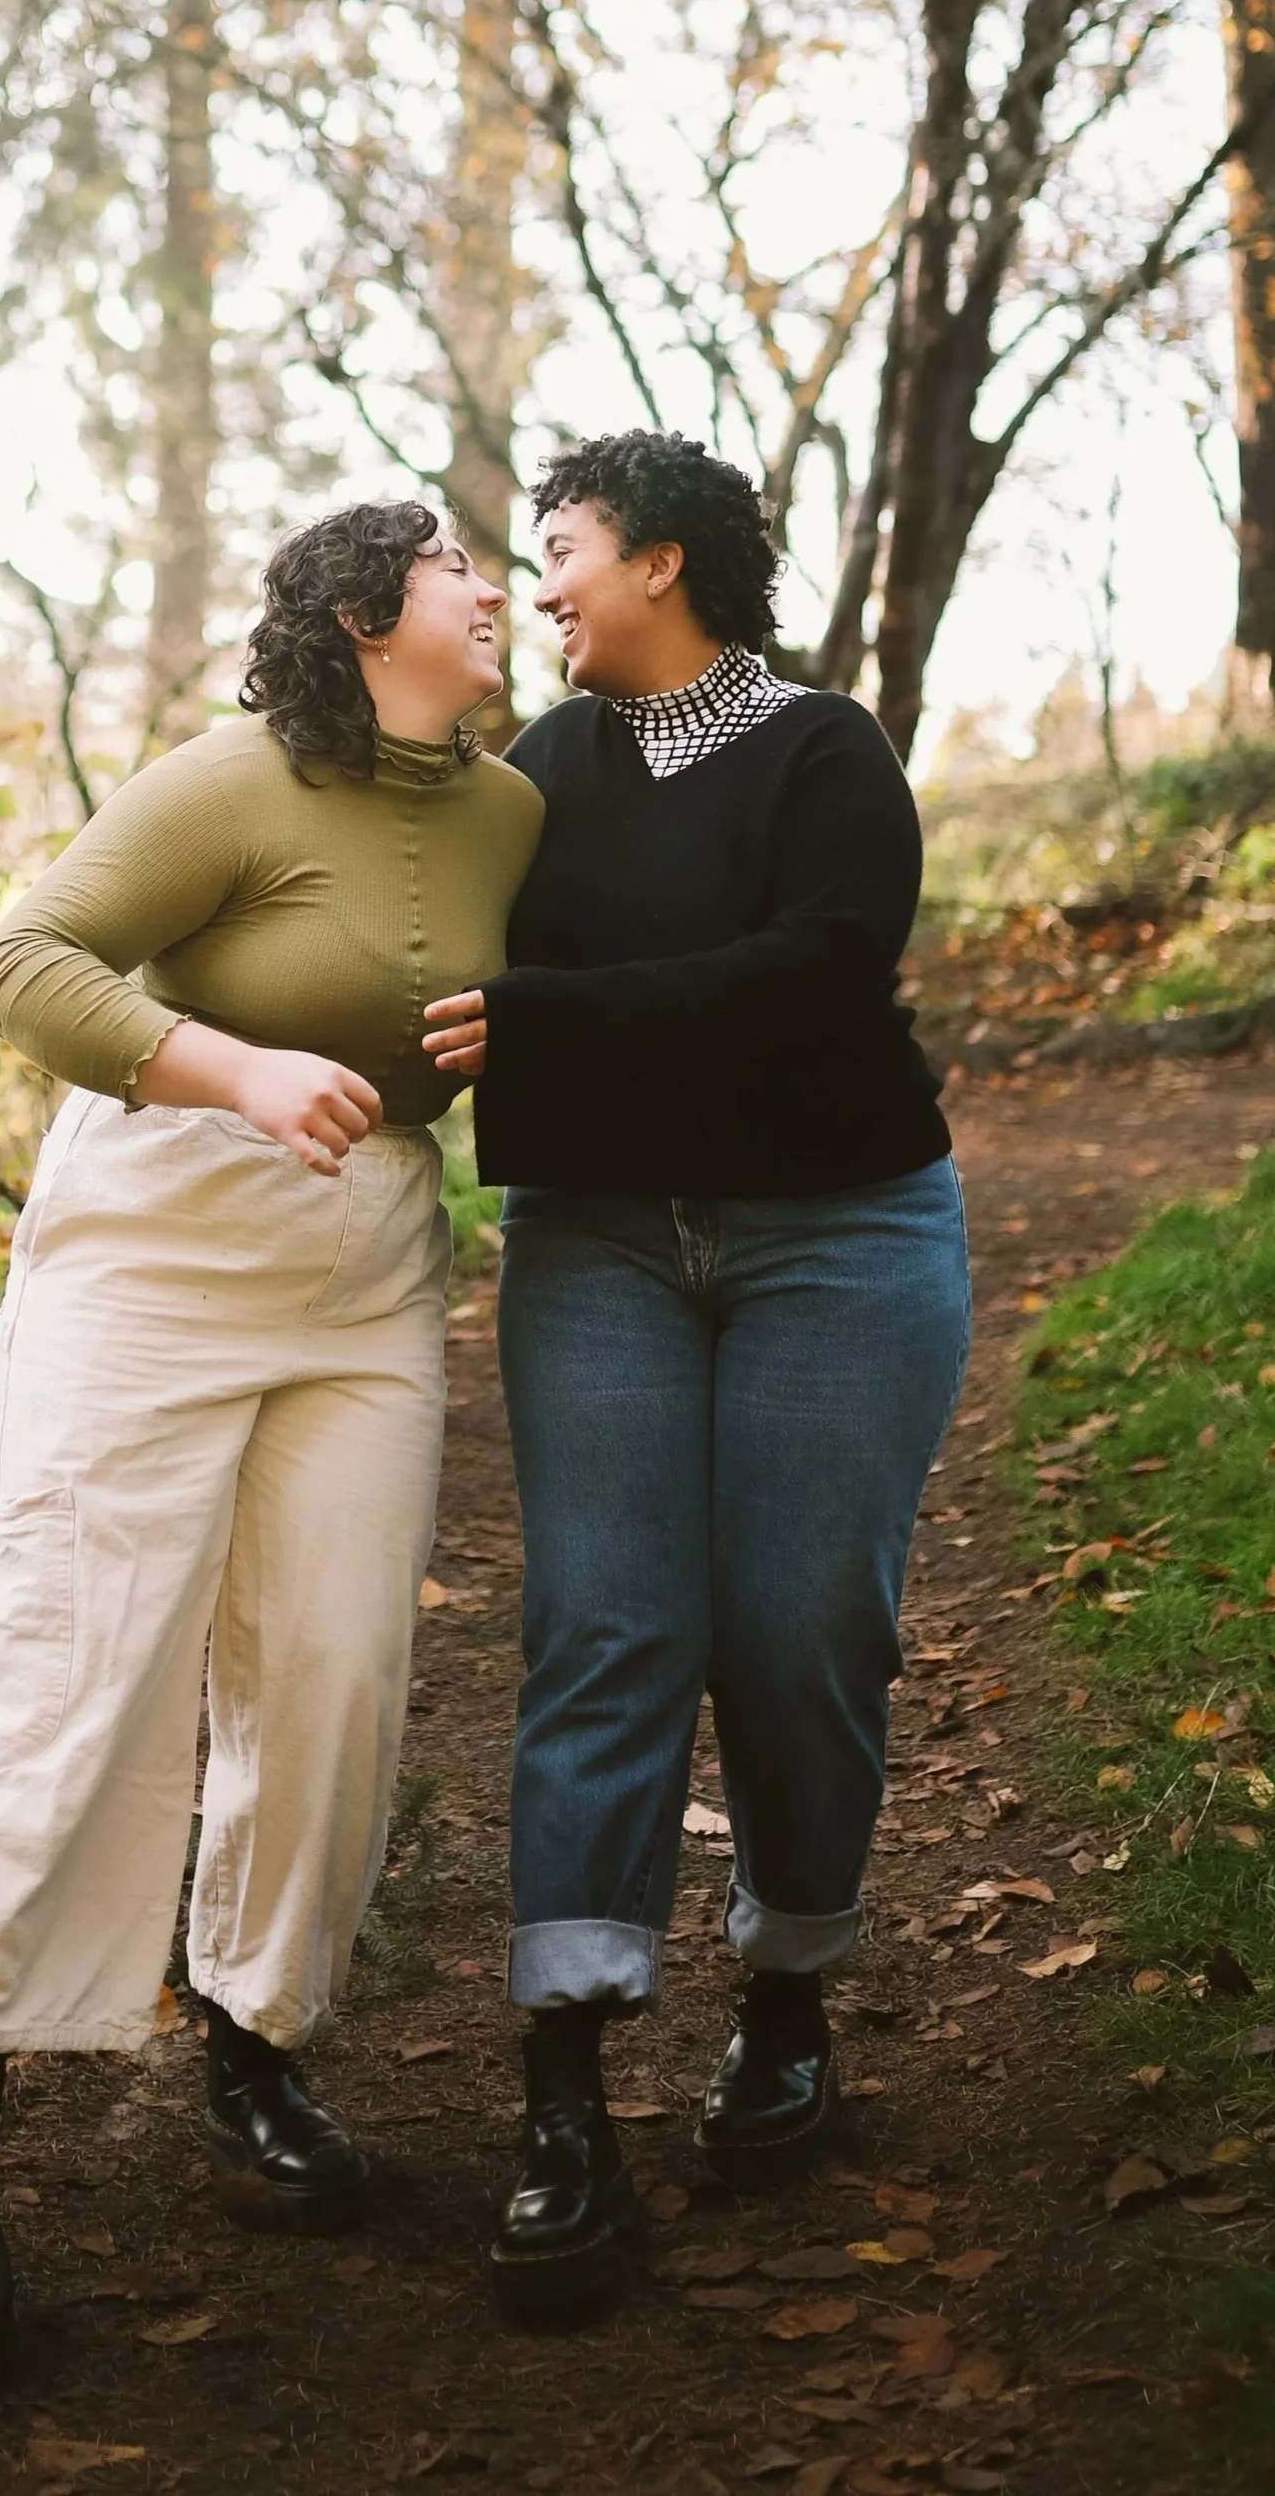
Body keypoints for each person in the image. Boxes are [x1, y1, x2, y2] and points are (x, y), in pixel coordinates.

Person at [0, 502, 540, 2379]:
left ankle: (250, 2037)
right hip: (159, 1241)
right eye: (456, 566)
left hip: (367, 1267)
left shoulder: (513, 809)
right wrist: (234, 1068)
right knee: (70, 1662)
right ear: (359, 616)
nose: (492, 590)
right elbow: (28, 963)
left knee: (334, 1663)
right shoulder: (230, 779)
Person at [424, 431, 971, 2319]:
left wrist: (542, 1021)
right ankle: (564, 2098)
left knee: (807, 1621)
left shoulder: (827, 752)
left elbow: (819, 970)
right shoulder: (532, 779)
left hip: (843, 1232)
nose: (537, 581)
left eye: (557, 547)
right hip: (600, 1243)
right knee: (607, 1627)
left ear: (659, 561)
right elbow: (396, 920)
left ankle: (787, 1999)